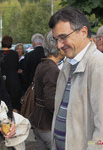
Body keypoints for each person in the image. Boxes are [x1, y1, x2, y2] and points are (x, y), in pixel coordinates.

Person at [49, 6, 103, 150]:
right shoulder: (68, 64)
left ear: (83, 32)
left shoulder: (98, 65)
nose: (59, 45)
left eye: (63, 37)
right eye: (56, 39)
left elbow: (101, 133)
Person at [29, 31, 60, 150]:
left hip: (38, 122)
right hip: (47, 125)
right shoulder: (51, 69)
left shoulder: (43, 64)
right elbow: (50, 101)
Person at [0, 35, 22, 112]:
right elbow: (16, 66)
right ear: (11, 43)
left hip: (2, 80)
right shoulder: (14, 54)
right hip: (13, 80)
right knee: (14, 104)